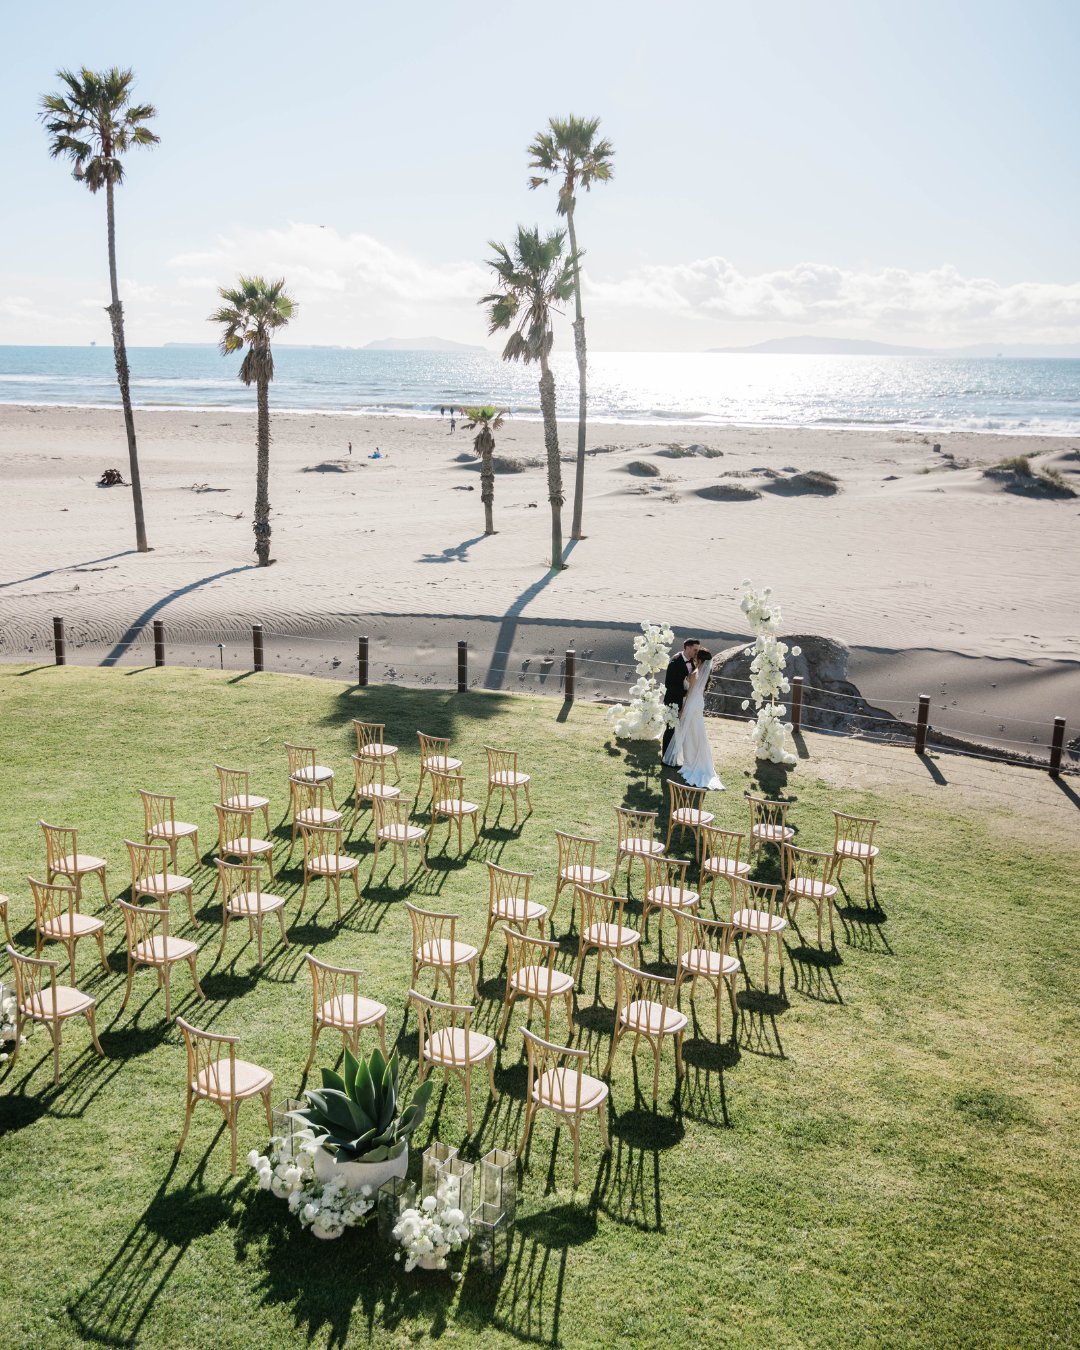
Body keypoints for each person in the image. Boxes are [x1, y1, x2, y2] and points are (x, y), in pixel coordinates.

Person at [663, 648, 724, 791]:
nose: (694, 658)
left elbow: (689, 692)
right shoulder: (704, 673)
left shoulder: (695, 673)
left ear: (700, 660)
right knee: (697, 731)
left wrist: (683, 709)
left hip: (691, 703)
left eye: (696, 657)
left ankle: (691, 761)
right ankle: (698, 759)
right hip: (698, 703)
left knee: (689, 733)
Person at [662, 638, 700, 756]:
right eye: (695, 649)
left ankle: (677, 755)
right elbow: (669, 685)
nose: (696, 652)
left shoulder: (693, 661)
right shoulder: (675, 662)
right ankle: (666, 757)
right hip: (674, 701)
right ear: (687, 648)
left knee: (683, 730)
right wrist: (686, 692)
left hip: (686, 702)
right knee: (671, 729)